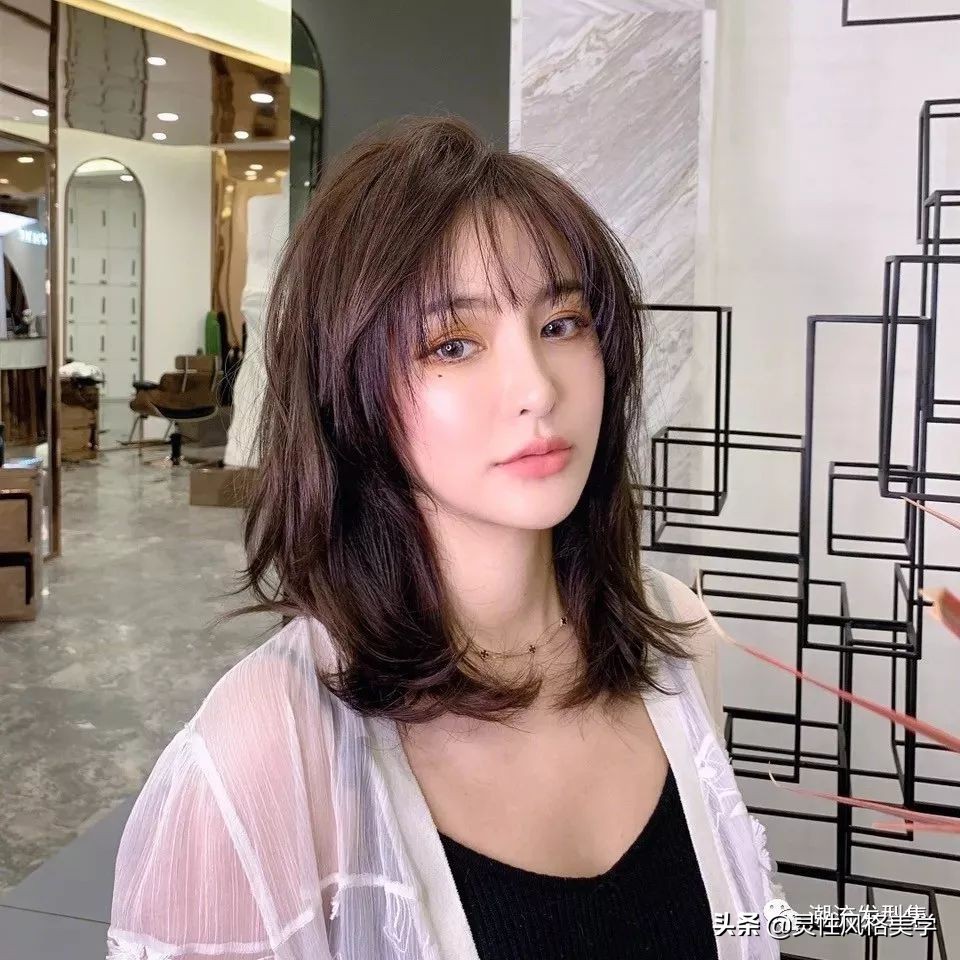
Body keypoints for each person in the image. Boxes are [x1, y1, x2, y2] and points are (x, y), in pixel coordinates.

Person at [105, 115, 784, 960]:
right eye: (453, 344)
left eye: (562, 324)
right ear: (349, 388)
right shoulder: (261, 757)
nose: (537, 388)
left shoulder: (676, 636)